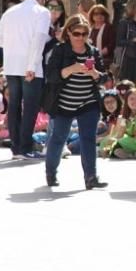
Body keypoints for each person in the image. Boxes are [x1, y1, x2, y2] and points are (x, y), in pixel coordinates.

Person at [43, 15, 108, 189]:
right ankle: (50, 173)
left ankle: (91, 177)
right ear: (69, 33)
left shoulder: (93, 52)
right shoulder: (60, 51)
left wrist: (95, 74)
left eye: (84, 33)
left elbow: (104, 77)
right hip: (64, 103)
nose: (80, 37)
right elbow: (51, 76)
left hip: (88, 102)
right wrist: (70, 69)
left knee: (88, 138)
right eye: (77, 33)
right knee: (58, 138)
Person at [0, 0, 51, 159]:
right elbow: (39, 39)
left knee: (14, 105)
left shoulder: (10, 12)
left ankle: (16, 147)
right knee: (31, 107)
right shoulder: (42, 12)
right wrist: (32, 66)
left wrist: (14, 46)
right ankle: (25, 147)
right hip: (30, 66)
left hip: (11, 65)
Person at [88, 5, 115, 72]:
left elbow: (112, 44)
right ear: (92, 16)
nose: (99, 16)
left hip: (105, 61)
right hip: (90, 60)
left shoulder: (109, 27)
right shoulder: (89, 29)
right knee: (87, 74)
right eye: (96, 14)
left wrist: (98, 54)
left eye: (102, 13)